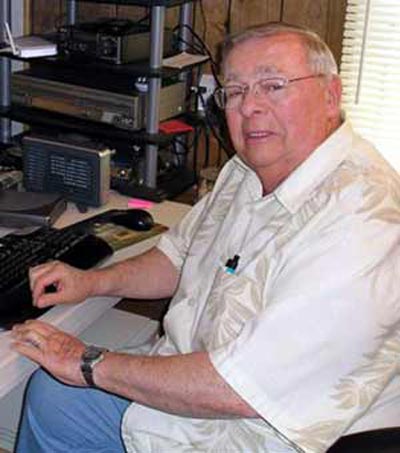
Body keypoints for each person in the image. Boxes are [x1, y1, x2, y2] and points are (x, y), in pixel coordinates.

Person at [12, 22, 400, 453]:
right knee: (53, 395)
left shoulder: (364, 219)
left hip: (265, 430)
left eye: (273, 85)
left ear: (330, 95)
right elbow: (179, 257)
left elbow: (242, 388)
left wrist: (88, 363)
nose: (250, 106)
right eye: (234, 91)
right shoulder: (248, 169)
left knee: (59, 393)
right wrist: (92, 282)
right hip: (205, 378)